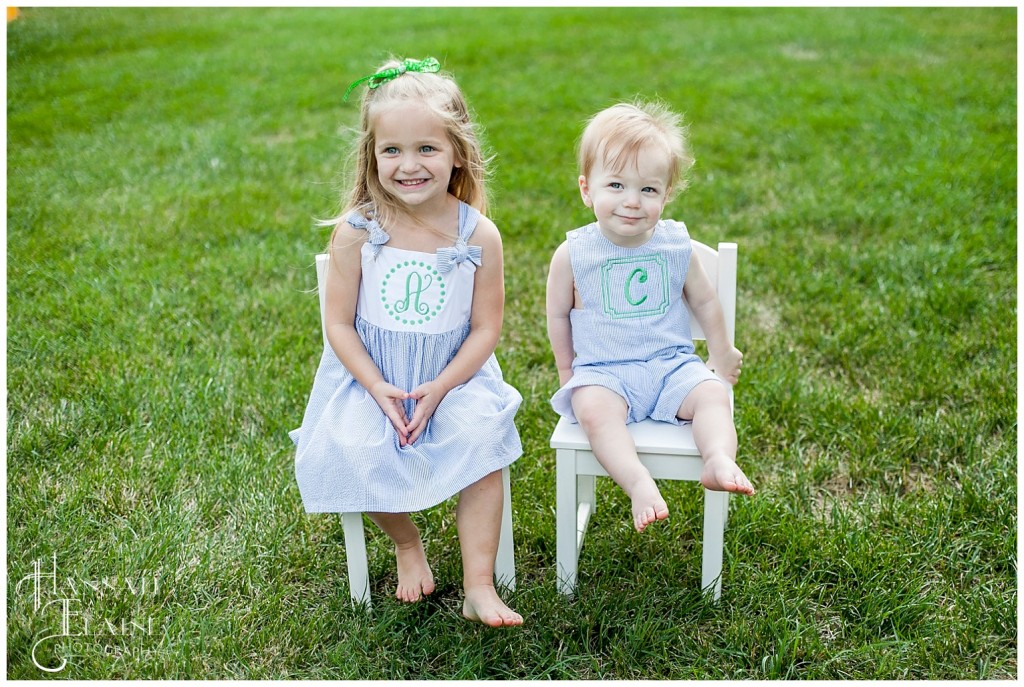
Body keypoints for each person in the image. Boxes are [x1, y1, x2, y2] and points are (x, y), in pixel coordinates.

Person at [291, 57, 523, 627]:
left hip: (452, 375)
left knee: (484, 443)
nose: (409, 165)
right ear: (371, 156)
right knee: (349, 448)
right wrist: (376, 387)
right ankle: (405, 542)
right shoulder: (358, 230)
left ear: (458, 153)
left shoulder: (478, 235)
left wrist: (442, 387)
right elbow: (339, 325)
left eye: (427, 149)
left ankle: (478, 585)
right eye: (391, 150)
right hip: (371, 376)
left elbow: (485, 329)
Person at [547, 100, 755, 534]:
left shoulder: (675, 245)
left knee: (712, 397)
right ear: (587, 189)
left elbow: (704, 302)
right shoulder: (573, 254)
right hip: (605, 373)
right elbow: (558, 315)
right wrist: (568, 370)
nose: (632, 202)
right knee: (594, 411)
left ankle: (717, 457)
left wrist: (721, 350)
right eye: (617, 185)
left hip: (671, 366)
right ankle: (638, 482)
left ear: (666, 194)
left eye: (648, 190)